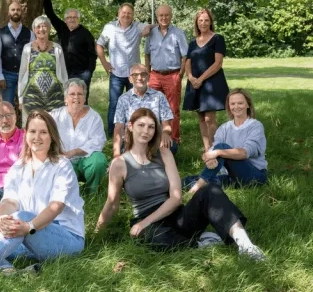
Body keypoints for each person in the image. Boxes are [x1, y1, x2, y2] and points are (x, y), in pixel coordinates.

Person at [95, 108, 266, 260]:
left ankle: (246, 245)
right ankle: (203, 243)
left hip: (175, 214)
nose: (146, 131)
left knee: (211, 190)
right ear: (130, 126)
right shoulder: (119, 164)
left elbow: (176, 198)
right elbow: (112, 204)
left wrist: (144, 223)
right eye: (141, 125)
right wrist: (97, 234)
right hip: (149, 221)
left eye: (151, 127)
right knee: (155, 239)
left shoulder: (164, 154)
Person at [0, 110, 85, 273]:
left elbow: (56, 206)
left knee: (22, 216)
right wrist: (2, 219)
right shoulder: (18, 167)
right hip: (28, 235)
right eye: (33, 131)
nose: (37, 137)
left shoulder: (62, 166)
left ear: (52, 136)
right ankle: (8, 270)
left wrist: (28, 226)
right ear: (26, 134)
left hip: (65, 238)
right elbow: (9, 201)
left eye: (43, 132)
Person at [183, 89, 268, 193]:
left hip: (253, 176)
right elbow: (210, 152)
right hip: (230, 176)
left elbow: (244, 153)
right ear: (229, 106)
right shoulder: (224, 128)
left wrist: (218, 153)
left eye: (240, 103)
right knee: (187, 180)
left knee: (222, 147)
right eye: (232, 104)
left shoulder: (255, 126)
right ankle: (198, 185)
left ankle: (195, 189)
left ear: (248, 105)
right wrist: (209, 159)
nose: (236, 107)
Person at [96, 3, 153, 137]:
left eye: (129, 13)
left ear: (133, 16)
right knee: (114, 103)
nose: (126, 15)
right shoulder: (109, 27)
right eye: (124, 12)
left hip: (134, 75)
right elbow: (99, 45)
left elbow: (154, 26)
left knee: (134, 103)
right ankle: (112, 133)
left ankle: (131, 131)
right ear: (118, 13)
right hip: (117, 73)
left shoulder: (138, 26)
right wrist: (105, 63)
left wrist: (148, 27)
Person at [183, 8, 229, 152]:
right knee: (201, 118)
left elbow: (218, 64)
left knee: (210, 118)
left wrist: (201, 79)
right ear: (196, 23)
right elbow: (187, 62)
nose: (203, 23)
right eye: (200, 20)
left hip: (211, 83)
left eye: (206, 20)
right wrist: (191, 78)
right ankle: (207, 148)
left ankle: (215, 150)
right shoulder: (192, 42)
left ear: (211, 22)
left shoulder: (217, 38)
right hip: (195, 83)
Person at [50, 78, 107, 194]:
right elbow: (40, 124)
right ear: (65, 99)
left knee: (99, 160)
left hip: (86, 160)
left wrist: (73, 152)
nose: (76, 97)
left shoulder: (94, 117)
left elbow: (98, 141)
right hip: (63, 162)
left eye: (80, 94)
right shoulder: (56, 115)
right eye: (72, 94)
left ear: (84, 98)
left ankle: (92, 193)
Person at [145, 5, 188, 153]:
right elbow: (147, 54)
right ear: (157, 17)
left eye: (166, 15)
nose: (164, 18)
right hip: (155, 75)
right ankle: (152, 137)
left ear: (171, 16)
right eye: (161, 15)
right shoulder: (151, 33)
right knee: (151, 107)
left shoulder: (178, 33)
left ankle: (173, 140)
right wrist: (147, 73)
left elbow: (185, 56)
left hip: (172, 74)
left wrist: (180, 74)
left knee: (173, 109)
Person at [44, 0, 97, 104]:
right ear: (65, 19)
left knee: (81, 101)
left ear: (78, 19)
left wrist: (89, 71)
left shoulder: (86, 33)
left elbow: (92, 55)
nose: (71, 19)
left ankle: (84, 122)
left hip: (82, 73)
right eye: (69, 17)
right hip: (65, 72)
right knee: (66, 100)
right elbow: (50, 13)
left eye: (74, 17)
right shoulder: (62, 29)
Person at [113, 64, 174, 158]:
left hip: (153, 139)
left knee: (171, 146)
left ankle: (149, 157)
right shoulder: (123, 99)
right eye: (135, 75)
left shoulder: (159, 96)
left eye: (143, 74)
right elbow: (118, 128)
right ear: (130, 79)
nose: (139, 78)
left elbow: (167, 125)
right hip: (131, 140)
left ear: (149, 77)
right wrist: (116, 155)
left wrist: (165, 133)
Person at [18, 16, 68, 126]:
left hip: (55, 95)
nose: (41, 29)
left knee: (55, 126)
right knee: (31, 125)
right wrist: (20, 98)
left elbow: (64, 73)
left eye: (44, 26)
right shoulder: (27, 48)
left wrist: (66, 94)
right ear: (34, 30)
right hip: (32, 95)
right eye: (38, 27)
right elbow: (22, 74)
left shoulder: (57, 48)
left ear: (49, 29)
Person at [0, 2, 35, 104]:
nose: (15, 12)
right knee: (8, 107)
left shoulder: (30, 34)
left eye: (18, 10)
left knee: (27, 106)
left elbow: (33, 57)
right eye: (13, 10)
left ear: (22, 12)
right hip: (7, 75)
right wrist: (0, 77)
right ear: (8, 12)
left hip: (25, 75)